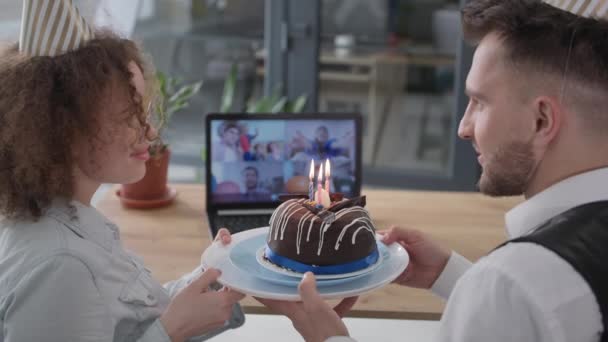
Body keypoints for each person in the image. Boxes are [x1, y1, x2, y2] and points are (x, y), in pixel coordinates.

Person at [257, 1, 608, 341]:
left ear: (541, 120)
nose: (463, 127)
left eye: (479, 103)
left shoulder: (510, 284)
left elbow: (518, 297)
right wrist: (451, 275)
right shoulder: (522, 287)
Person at [0, 2, 243, 341]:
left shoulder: (68, 221)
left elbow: (129, 320)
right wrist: (172, 332)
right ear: (64, 131)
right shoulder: (62, 266)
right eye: (128, 116)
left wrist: (211, 275)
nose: (150, 133)